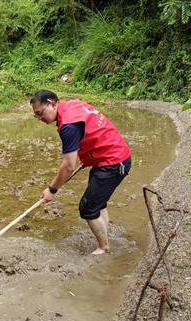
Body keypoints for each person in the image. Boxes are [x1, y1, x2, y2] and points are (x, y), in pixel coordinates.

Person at [30, 90, 131, 254]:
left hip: (113, 162)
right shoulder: (72, 105)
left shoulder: (68, 126)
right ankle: (104, 237)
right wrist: (89, 155)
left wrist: (52, 189)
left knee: (88, 208)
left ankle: (103, 248)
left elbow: (68, 166)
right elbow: (90, 132)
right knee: (98, 203)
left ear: (53, 103)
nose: (40, 119)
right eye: (37, 116)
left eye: (40, 113)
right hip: (106, 158)